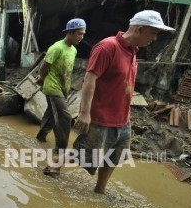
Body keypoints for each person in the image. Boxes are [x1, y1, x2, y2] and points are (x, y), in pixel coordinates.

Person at [72, 10, 175, 193]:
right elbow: (90, 79)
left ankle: (100, 190)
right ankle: (55, 166)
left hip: (122, 120)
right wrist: (85, 113)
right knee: (84, 155)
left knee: (114, 157)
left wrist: (127, 116)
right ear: (139, 29)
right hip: (100, 118)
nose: (155, 38)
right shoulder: (107, 47)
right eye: (153, 33)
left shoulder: (133, 51)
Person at [35, 18, 86, 175]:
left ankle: (40, 137)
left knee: (52, 113)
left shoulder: (73, 50)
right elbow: (43, 68)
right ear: (69, 32)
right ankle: (60, 150)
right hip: (52, 87)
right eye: (79, 34)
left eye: (83, 34)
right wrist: (43, 81)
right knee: (64, 117)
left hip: (63, 88)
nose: (81, 37)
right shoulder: (57, 48)